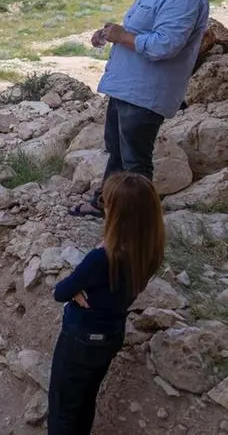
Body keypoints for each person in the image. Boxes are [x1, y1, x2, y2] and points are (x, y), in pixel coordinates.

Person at [70, 0, 209, 218]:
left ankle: (135, 226)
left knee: (135, 162)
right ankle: (107, 204)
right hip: (127, 87)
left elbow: (166, 45)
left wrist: (123, 36)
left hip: (146, 92)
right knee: (119, 153)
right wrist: (113, 34)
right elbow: (141, 33)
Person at [48, 171, 165, 434]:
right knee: (86, 399)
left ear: (118, 215)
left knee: (63, 407)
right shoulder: (149, 250)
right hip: (111, 334)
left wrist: (80, 289)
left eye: (107, 204)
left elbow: (61, 291)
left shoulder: (101, 258)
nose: (104, 208)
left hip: (81, 338)